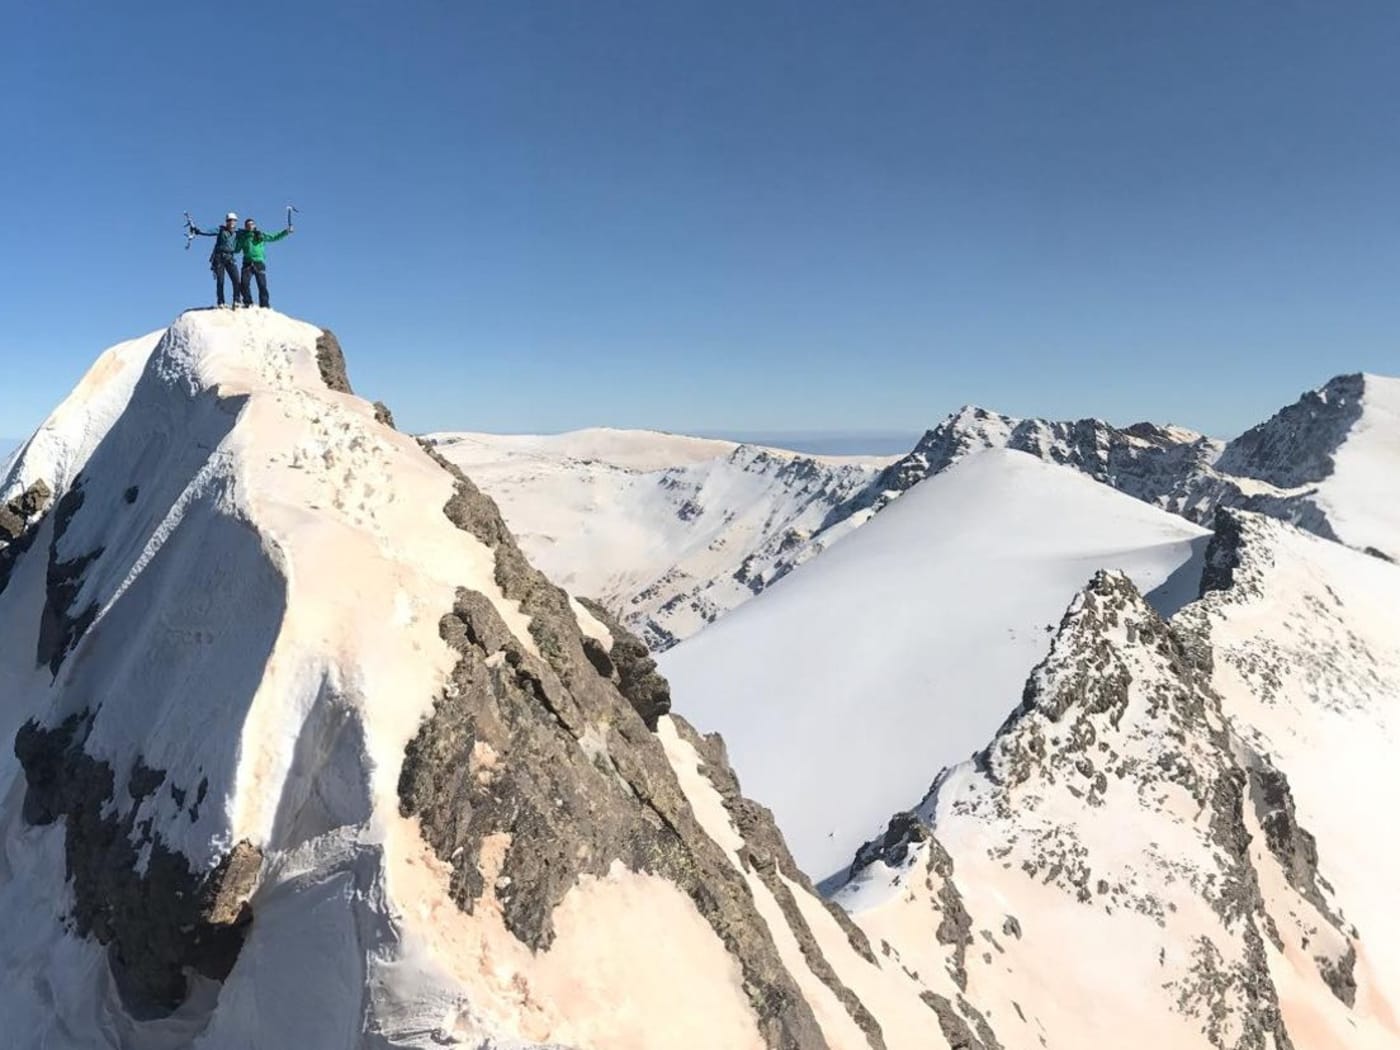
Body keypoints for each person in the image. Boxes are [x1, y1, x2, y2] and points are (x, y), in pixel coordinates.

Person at [188, 212, 243, 308]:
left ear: (236, 222)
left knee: (236, 279)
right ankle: (221, 302)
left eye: (233, 220)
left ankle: (237, 300)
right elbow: (209, 232)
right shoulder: (221, 230)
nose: (231, 222)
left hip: (230, 257)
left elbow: (247, 233)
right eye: (229, 220)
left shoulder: (237, 232)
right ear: (226, 221)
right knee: (220, 281)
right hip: (219, 258)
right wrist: (198, 231)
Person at [236, 217, 293, 308]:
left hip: (259, 263)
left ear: (254, 226)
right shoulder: (243, 237)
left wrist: (286, 232)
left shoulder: (260, 235)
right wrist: (232, 241)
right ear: (245, 227)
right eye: (248, 225)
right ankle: (248, 302)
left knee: (262, 285)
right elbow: (236, 249)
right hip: (247, 263)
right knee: (244, 284)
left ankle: (265, 305)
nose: (250, 226)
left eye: (251, 224)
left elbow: (274, 237)